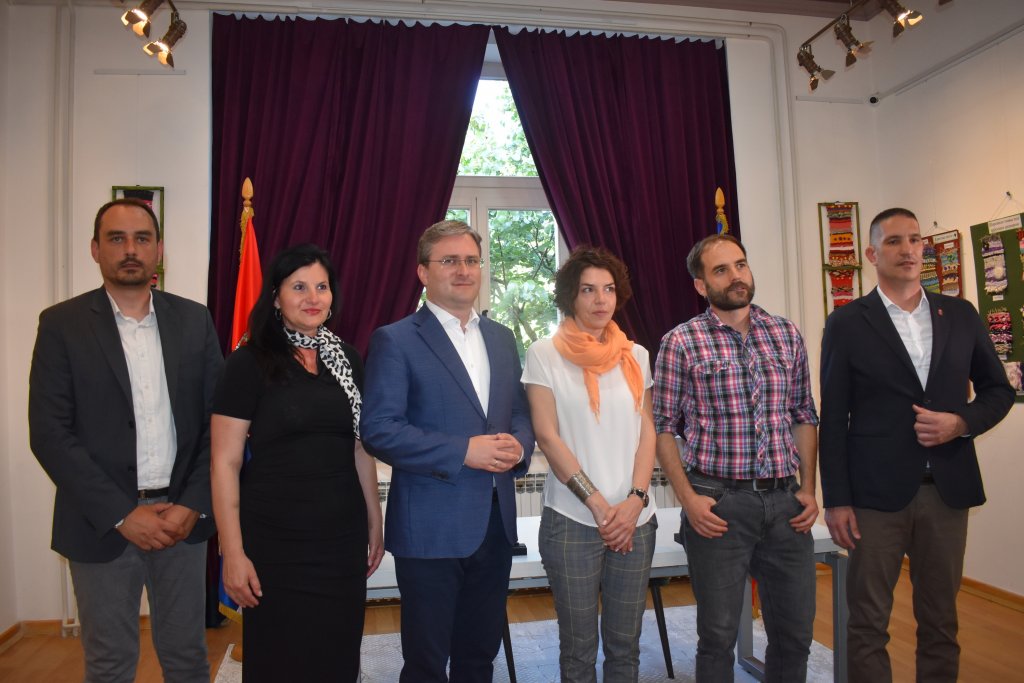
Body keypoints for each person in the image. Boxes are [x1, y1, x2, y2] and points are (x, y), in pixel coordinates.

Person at [28, 198, 223, 683]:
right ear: (96, 249)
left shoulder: (194, 320)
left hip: (181, 520)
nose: (130, 249)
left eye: (142, 238)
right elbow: (49, 432)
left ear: (159, 249)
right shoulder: (62, 324)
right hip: (100, 524)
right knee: (109, 663)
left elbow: (217, 424)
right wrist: (121, 513)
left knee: (187, 658)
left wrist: (192, 504)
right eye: (117, 238)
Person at [819, 208, 1013, 683]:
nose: (907, 250)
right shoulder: (846, 323)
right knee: (867, 623)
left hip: (947, 491)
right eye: (894, 242)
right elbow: (834, 420)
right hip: (874, 498)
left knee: (941, 622)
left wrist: (960, 422)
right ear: (872, 254)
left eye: (914, 239)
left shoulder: (961, 315)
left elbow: (998, 391)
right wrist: (837, 500)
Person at [360, 220, 534, 683]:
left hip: (496, 526)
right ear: (423, 272)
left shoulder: (501, 337)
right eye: (450, 260)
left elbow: (518, 411)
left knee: (479, 658)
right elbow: (379, 429)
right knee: (427, 663)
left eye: (472, 260)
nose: (463, 270)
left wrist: (519, 444)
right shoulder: (395, 339)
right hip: (429, 528)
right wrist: (462, 451)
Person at [210, 244, 383, 682]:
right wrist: (233, 553)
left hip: (341, 539)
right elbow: (225, 462)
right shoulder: (248, 362)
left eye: (321, 287)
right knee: (280, 661)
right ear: (275, 297)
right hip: (275, 543)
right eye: (299, 287)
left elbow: (359, 448)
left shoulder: (347, 359)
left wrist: (375, 520)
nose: (312, 297)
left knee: (337, 656)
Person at [653, 233, 820, 682]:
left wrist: (808, 488)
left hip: (786, 504)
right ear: (701, 285)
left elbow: (804, 414)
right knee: (717, 638)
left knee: (795, 635)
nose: (736, 276)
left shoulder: (786, 333)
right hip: (718, 505)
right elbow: (662, 427)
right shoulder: (681, 341)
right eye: (721, 270)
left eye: (740, 265)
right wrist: (688, 499)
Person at [521, 246, 657, 682]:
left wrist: (635, 500)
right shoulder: (544, 353)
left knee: (625, 646)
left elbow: (647, 431)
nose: (601, 299)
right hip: (572, 521)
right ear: (570, 296)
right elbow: (547, 436)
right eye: (588, 290)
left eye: (609, 289)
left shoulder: (636, 355)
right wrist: (599, 505)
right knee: (579, 651)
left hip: (635, 520)